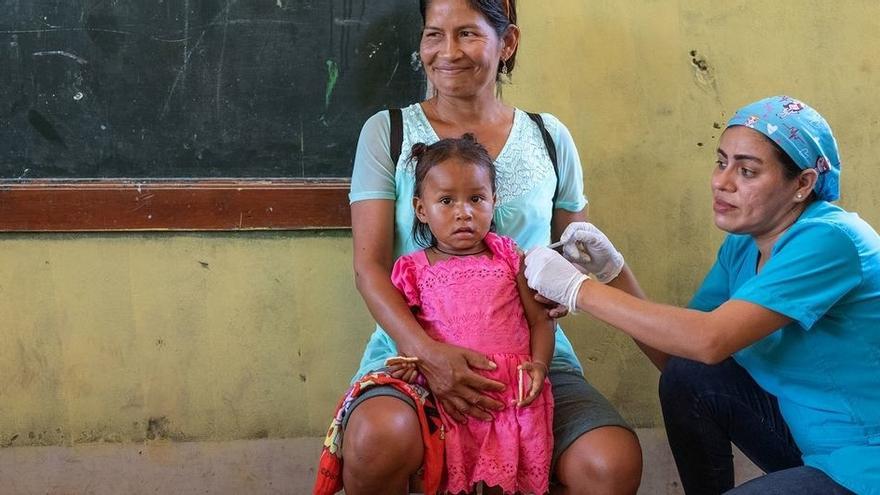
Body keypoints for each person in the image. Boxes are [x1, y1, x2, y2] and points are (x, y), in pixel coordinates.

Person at [340, 0, 644, 493]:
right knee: (377, 438)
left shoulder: (549, 137)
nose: (447, 51)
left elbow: (573, 256)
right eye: (433, 34)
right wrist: (427, 353)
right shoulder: (388, 133)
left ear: (508, 43)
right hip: (412, 350)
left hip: (531, 359)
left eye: (467, 34)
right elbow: (369, 268)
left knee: (609, 463)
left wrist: (556, 295)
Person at [524, 95, 880, 495]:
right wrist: (613, 274)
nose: (722, 182)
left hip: (863, 463)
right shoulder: (744, 246)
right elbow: (683, 358)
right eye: (721, 161)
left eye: (747, 171)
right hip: (807, 444)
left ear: (802, 184)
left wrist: (577, 289)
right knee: (688, 377)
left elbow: (709, 340)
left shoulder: (832, 240)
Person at [390, 134, 555, 494]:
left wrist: (540, 365)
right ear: (421, 209)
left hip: (513, 394)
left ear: (494, 202)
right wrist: (410, 362)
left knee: (506, 484)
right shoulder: (413, 270)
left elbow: (540, 319)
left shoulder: (510, 258)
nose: (463, 212)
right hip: (450, 395)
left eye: (476, 199)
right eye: (446, 201)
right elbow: (412, 338)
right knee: (450, 481)